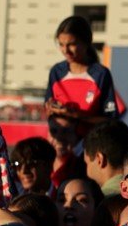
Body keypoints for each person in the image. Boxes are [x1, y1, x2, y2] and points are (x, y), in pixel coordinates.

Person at [45, 15, 119, 143]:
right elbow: (48, 112)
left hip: (90, 147)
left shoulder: (100, 74)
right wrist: (51, 108)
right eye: (61, 45)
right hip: (60, 146)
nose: (65, 50)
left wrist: (78, 116)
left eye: (71, 44)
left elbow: (110, 120)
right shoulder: (56, 72)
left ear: (86, 42)